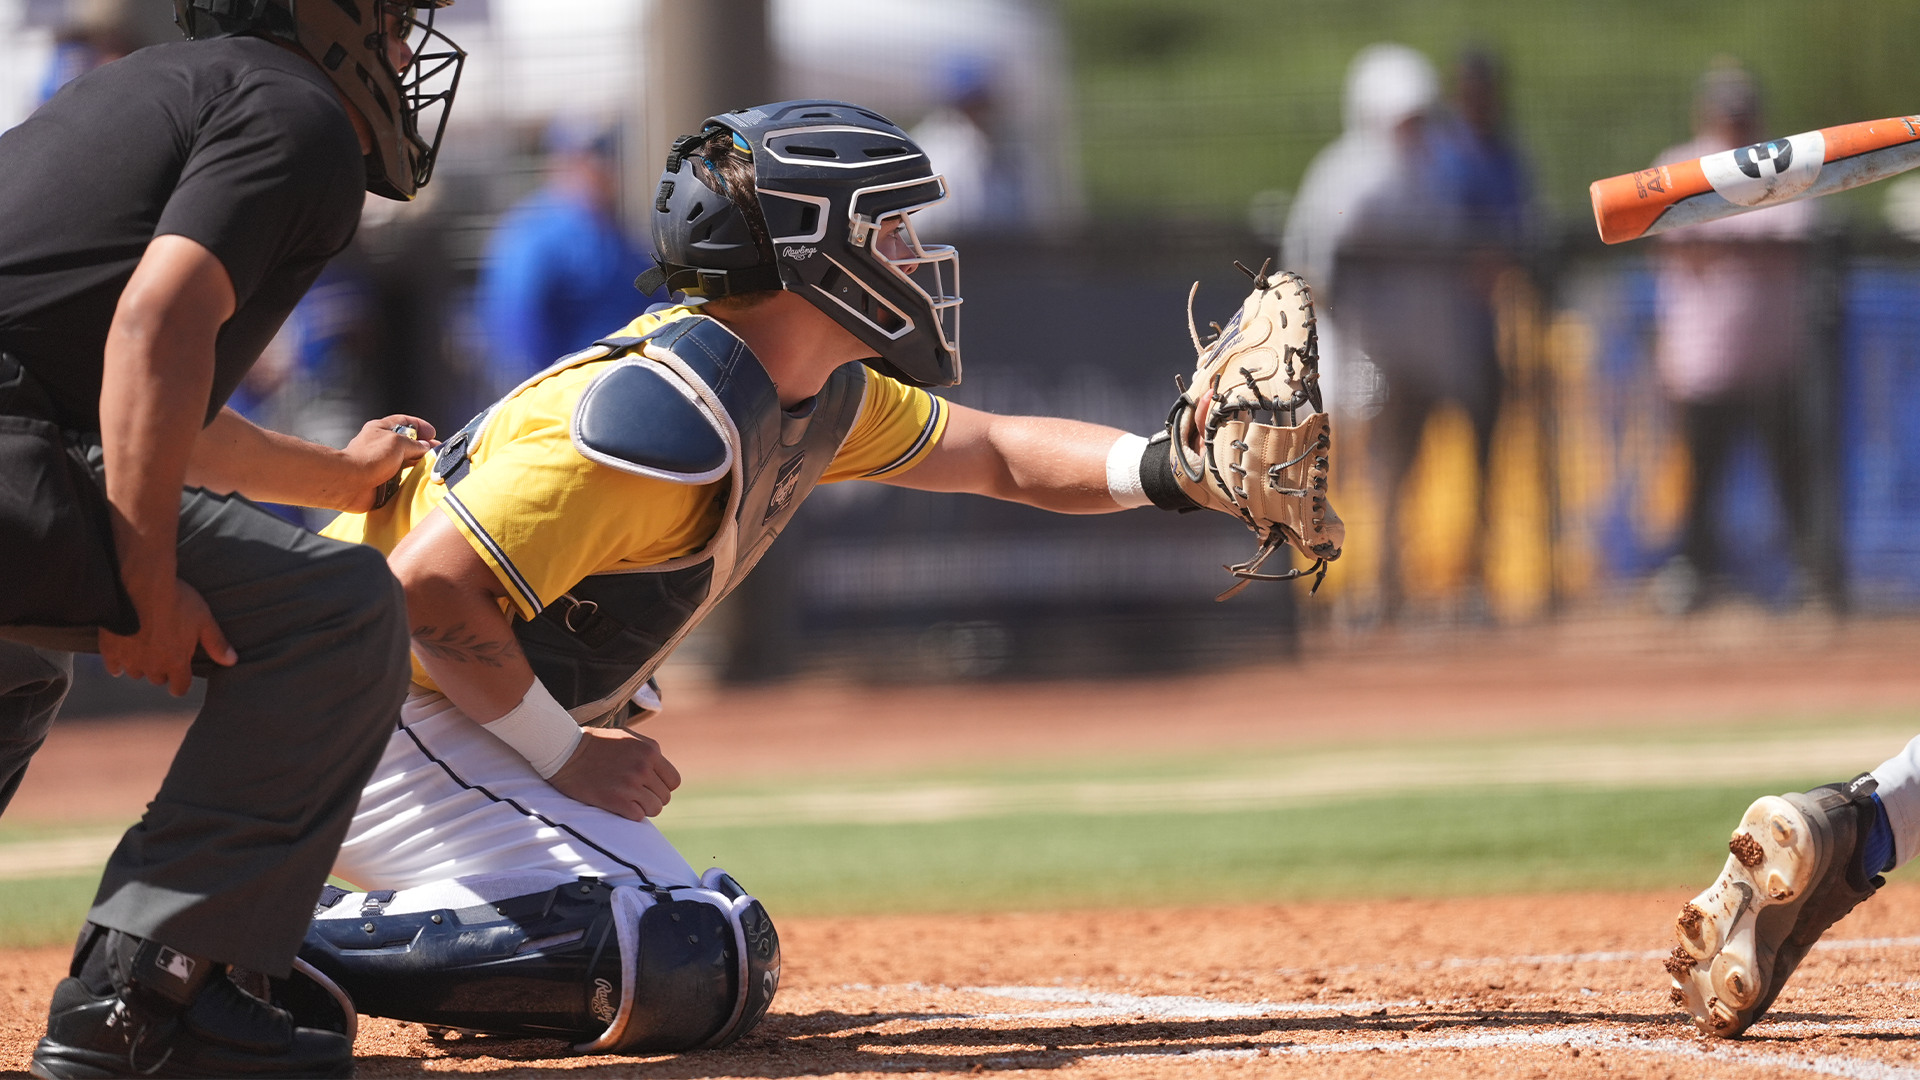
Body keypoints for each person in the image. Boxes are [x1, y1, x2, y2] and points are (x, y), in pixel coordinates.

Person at [269, 99, 1341, 1054]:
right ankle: (254, 935)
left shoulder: (800, 388)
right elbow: (423, 592)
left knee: (692, 954)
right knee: (684, 951)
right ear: (809, 252)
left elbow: (998, 453)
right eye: (892, 230)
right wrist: (563, 755)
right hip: (352, 700)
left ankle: (309, 922)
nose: (917, 257)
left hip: (411, 701)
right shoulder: (659, 419)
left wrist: (1171, 469)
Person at [0, 1, 467, 1075]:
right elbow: (154, 330)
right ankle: (153, 998)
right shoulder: (299, 110)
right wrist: (143, 580)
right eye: (395, 26)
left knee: (11, 665)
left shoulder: (149, 85)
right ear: (327, 20)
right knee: (340, 612)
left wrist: (335, 476)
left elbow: (158, 405)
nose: (406, 54)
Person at [1647, 62, 1830, 613]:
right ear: (1705, 112)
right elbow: (1676, 248)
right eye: (1726, 112)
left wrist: (1718, 244)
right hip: (1702, 361)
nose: (1735, 121)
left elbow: (1794, 242)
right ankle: (1690, 579)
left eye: (1743, 112)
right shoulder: (1677, 165)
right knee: (1700, 480)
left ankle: (1809, 579)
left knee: (1791, 476)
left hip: (1772, 359)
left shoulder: (1785, 164)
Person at [477, 118, 660, 393]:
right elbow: (517, 328)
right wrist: (546, 391)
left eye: (606, 156)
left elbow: (656, 305)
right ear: (559, 162)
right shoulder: (531, 231)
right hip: (560, 397)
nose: (599, 167)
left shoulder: (619, 231)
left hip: (624, 390)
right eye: (587, 157)